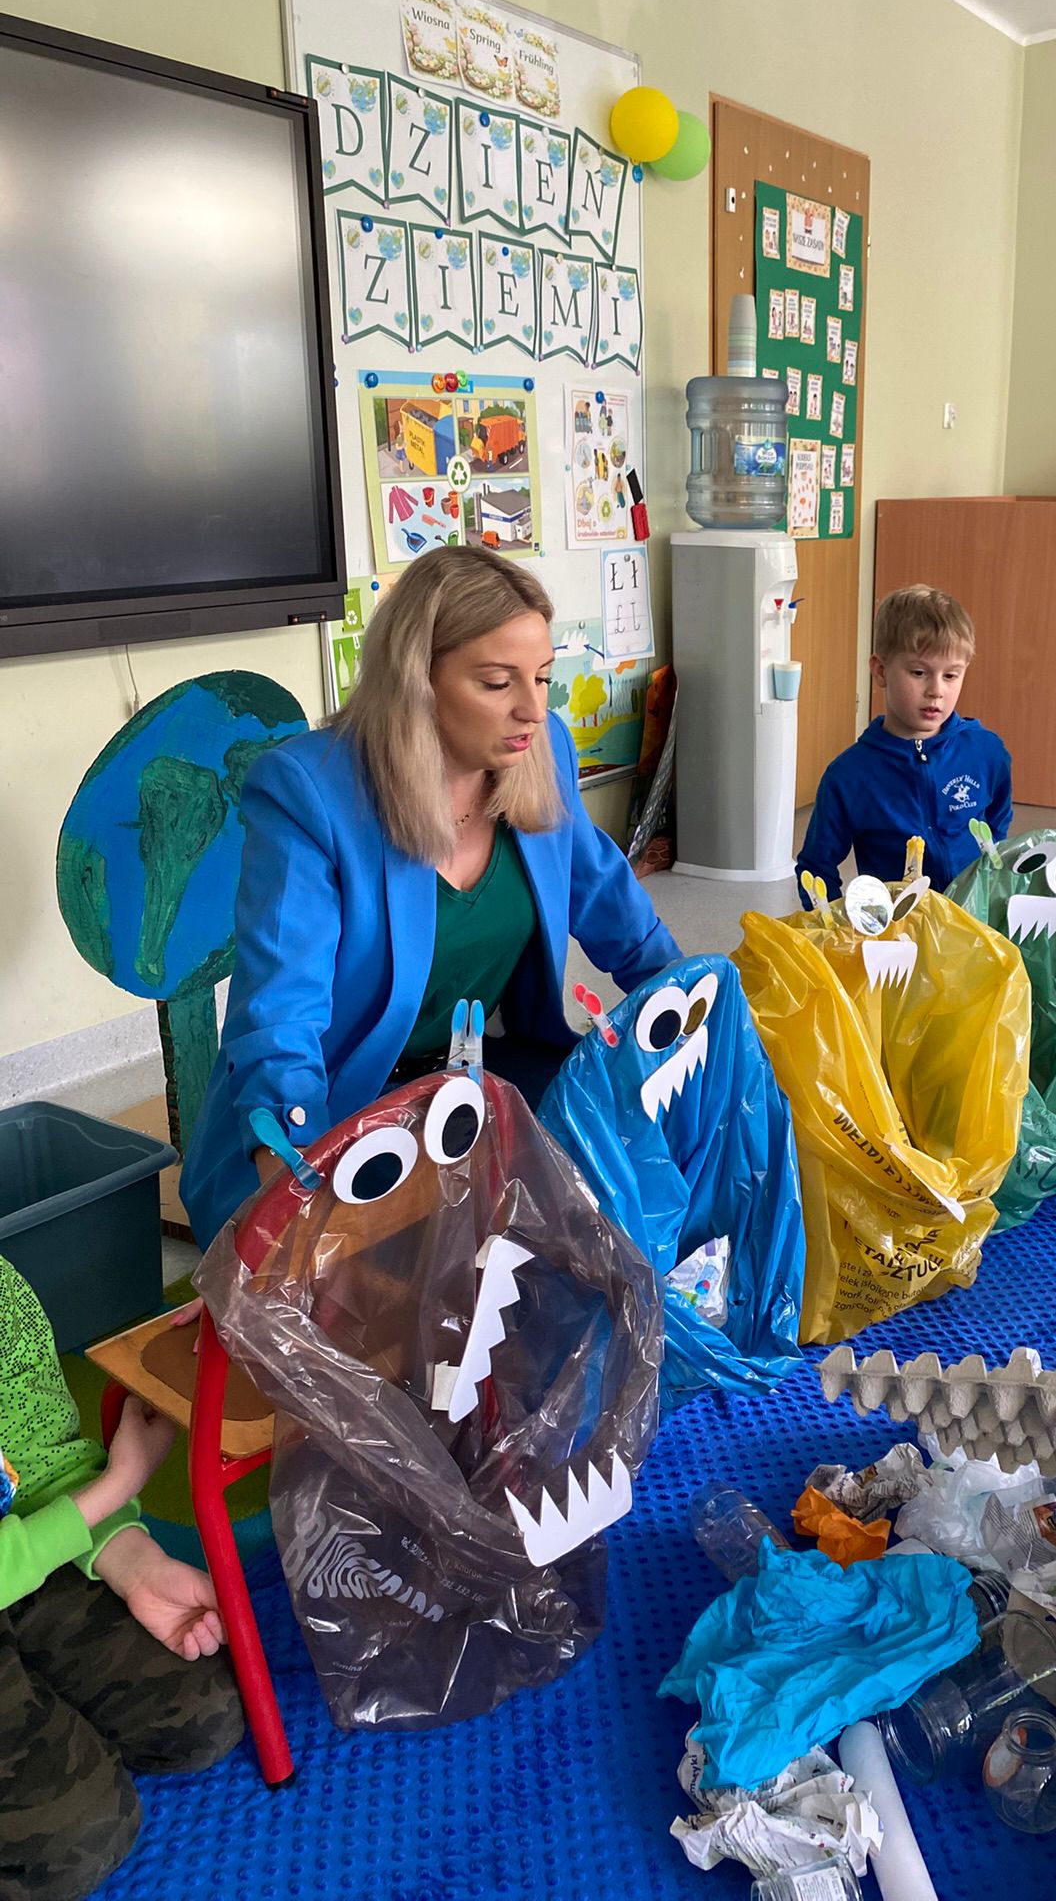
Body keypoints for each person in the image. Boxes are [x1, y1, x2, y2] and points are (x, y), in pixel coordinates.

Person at [181, 547, 681, 1246]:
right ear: (417, 680)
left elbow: (615, 909)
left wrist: (696, 1011)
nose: (532, 709)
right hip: (343, 1111)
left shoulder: (541, 751)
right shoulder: (309, 792)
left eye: (542, 678)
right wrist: (298, 1189)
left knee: (636, 1205)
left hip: (476, 1091)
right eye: (497, 682)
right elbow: (280, 1012)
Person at [1, 1255, 242, 1901]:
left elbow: (39, 1463)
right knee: (75, 1838)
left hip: (21, 1553)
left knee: (203, 1712)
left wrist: (128, 1556)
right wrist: (120, 1484)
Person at [795, 584, 1012, 901]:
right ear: (881, 670)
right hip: (897, 925)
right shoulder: (849, 775)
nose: (936, 691)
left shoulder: (986, 751)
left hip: (973, 918)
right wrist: (834, 924)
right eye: (919, 672)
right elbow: (816, 866)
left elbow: (997, 825)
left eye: (951, 676)